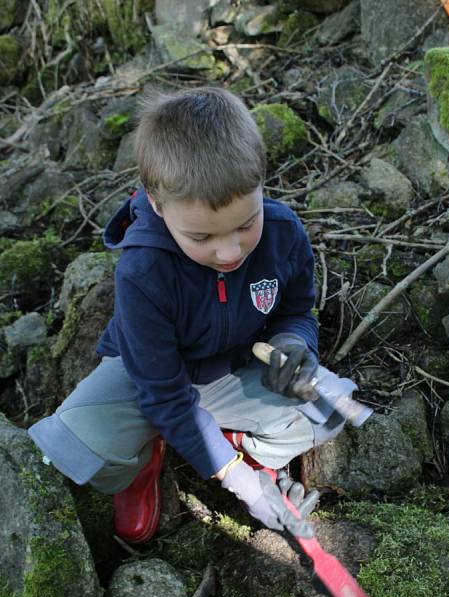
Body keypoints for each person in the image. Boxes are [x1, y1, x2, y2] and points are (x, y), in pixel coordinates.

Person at [28, 86, 358, 544]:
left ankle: (242, 445)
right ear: (159, 205)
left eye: (246, 225)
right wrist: (239, 482)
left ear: (261, 181)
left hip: (235, 367)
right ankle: (142, 465)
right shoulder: (143, 271)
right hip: (148, 381)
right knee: (76, 445)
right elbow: (162, 394)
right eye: (201, 236)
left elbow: (297, 310)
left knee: (329, 405)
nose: (229, 251)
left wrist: (293, 344)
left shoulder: (283, 233)